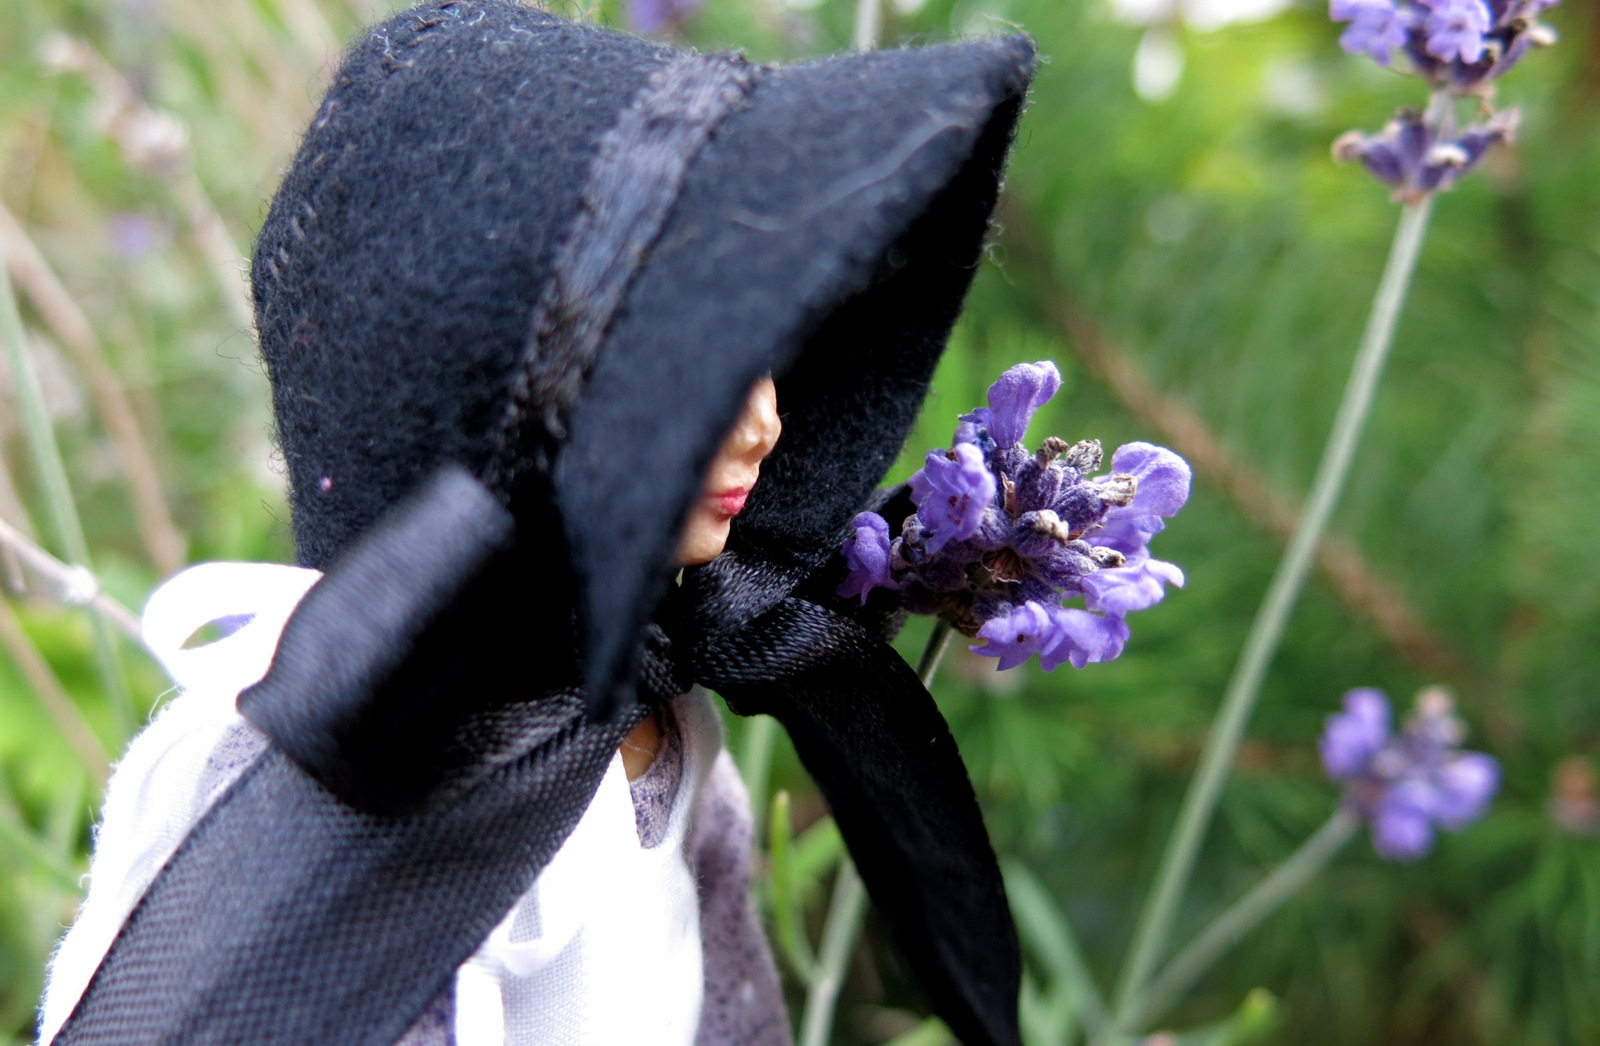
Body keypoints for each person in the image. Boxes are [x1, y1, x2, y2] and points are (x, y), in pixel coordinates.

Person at [39, 3, 1038, 1044]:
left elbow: (726, 985)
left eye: (774, 357)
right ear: (482, 398)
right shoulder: (361, 754)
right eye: (690, 380)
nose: (765, 425)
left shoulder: (659, 706)